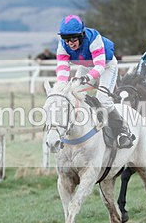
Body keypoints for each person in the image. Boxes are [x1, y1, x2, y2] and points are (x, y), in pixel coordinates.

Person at [55, 15, 135, 148]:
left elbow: (100, 66)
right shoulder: (62, 45)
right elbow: (62, 67)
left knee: (103, 100)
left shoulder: (94, 38)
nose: (70, 43)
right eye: (66, 39)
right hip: (86, 66)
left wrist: (87, 78)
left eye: (73, 39)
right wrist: (61, 86)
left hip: (106, 65)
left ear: (81, 35)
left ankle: (123, 130)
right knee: (72, 95)